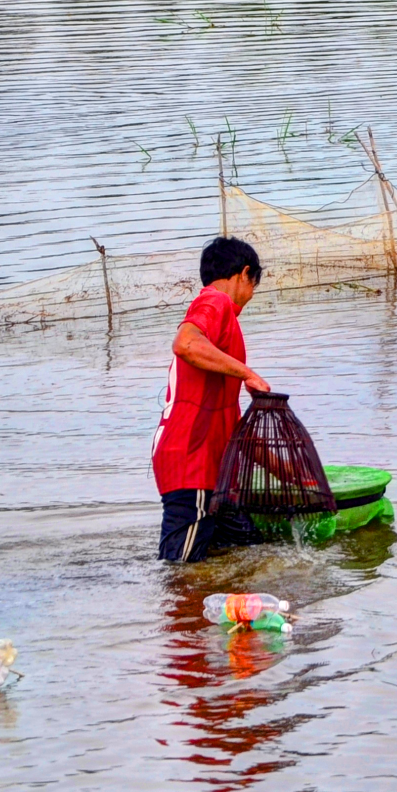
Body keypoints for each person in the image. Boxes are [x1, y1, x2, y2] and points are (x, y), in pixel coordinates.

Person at [153, 237, 270, 562]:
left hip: (217, 473)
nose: (252, 294)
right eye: (254, 284)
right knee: (181, 571)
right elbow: (185, 343)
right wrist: (246, 373)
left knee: (251, 554)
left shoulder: (224, 330)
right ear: (245, 274)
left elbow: (236, 432)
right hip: (191, 463)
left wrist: (295, 475)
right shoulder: (215, 302)